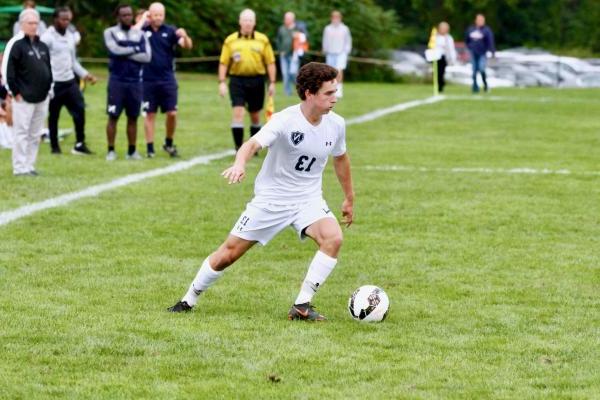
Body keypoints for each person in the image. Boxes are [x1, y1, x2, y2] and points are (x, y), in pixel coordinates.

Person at [168, 62, 354, 321]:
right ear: (309, 93)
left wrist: (348, 197)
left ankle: (302, 305)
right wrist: (239, 163)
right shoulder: (285, 120)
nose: (335, 98)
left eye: (336, 91)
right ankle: (188, 299)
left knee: (333, 238)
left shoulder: (336, 124)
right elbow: (252, 143)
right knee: (228, 254)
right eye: (329, 93)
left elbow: (341, 158)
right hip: (272, 200)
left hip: (308, 199)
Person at [2, 9, 52, 176]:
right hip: (23, 97)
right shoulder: (15, 44)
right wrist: (14, 92)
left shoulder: (42, 45)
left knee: (35, 133)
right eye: (30, 23)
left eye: (36, 23)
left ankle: (30, 165)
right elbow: (7, 70)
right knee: (21, 132)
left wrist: (49, 89)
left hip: (42, 97)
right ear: (22, 24)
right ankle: (19, 167)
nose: (33, 26)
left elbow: (48, 69)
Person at [218, 8, 276, 151]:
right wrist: (222, 82)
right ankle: (239, 146)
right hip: (237, 80)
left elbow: (270, 62)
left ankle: (253, 148)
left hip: (257, 80)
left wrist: (272, 83)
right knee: (238, 112)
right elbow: (223, 63)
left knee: (255, 115)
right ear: (240, 22)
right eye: (245, 20)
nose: (248, 23)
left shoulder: (262, 40)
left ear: (254, 22)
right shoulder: (230, 40)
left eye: (250, 20)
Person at [41, 7, 97, 155]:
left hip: (70, 82)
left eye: (68, 19)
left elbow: (73, 61)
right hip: (54, 83)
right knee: (54, 115)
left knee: (79, 110)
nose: (66, 22)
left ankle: (80, 144)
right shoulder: (47, 37)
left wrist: (86, 75)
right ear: (55, 19)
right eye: (63, 19)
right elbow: (40, 60)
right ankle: (54, 146)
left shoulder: (71, 36)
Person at [141, 2, 192, 158]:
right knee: (149, 114)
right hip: (147, 80)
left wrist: (185, 36)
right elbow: (132, 33)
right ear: (150, 14)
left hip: (167, 79)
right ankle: (150, 149)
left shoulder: (170, 31)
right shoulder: (142, 30)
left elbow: (187, 46)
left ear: (164, 15)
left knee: (172, 113)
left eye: (160, 15)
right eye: (155, 14)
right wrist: (142, 20)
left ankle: (168, 143)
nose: (158, 18)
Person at [103, 4, 151, 161]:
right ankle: (111, 150)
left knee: (133, 117)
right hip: (117, 81)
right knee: (113, 116)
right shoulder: (110, 32)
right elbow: (114, 50)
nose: (127, 17)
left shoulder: (140, 34)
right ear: (118, 17)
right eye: (124, 15)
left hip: (135, 82)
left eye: (129, 15)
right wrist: (135, 49)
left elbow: (147, 57)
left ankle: (132, 151)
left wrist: (126, 52)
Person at [322, 10, 351, 98]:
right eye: (334, 17)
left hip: (341, 53)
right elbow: (325, 40)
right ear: (331, 18)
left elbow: (348, 41)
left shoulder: (345, 28)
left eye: (337, 17)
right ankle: (330, 89)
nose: (335, 19)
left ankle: (339, 90)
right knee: (330, 73)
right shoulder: (327, 28)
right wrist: (325, 49)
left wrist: (346, 51)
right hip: (330, 53)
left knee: (339, 71)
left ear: (340, 18)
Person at [465, 13, 495, 93]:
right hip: (473, 53)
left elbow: (490, 41)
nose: (480, 21)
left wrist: (492, 51)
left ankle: (485, 85)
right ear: (475, 20)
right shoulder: (471, 29)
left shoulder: (486, 30)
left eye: (482, 20)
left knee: (482, 69)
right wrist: (469, 47)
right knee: (474, 71)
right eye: (479, 19)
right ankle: (475, 87)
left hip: (482, 53)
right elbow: (467, 40)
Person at [276, 11, 299, 96]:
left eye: (288, 18)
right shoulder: (281, 28)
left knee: (293, 73)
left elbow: (303, 38)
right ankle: (287, 92)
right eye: (285, 18)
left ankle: (299, 89)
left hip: (294, 55)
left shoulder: (297, 28)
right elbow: (278, 40)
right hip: (283, 55)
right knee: (285, 74)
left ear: (293, 19)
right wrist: (280, 50)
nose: (286, 20)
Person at [434, 21, 457, 93]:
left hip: (443, 57)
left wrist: (452, 59)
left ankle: (441, 86)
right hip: (436, 56)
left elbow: (451, 49)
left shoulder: (448, 38)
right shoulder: (435, 37)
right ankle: (438, 85)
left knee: (441, 72)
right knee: (436, 72)